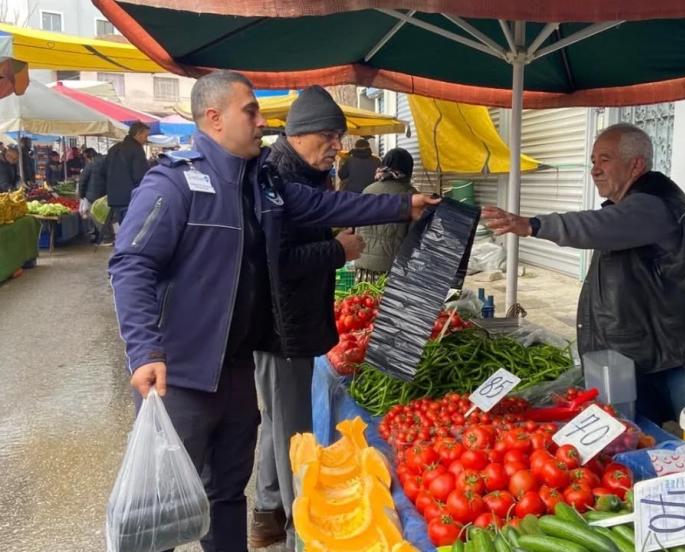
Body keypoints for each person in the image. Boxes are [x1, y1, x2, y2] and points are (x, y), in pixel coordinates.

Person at [108, 70, 438, 552]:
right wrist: (144, 350)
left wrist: (404, 206)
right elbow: (131, 264)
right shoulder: (173, 184)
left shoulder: (261, 184)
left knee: (227, 496)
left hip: (237, 370)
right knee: (163, 511)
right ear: (215, 118)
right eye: (251, 111)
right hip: (180, 374)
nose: (262, 122)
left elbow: (328, 207)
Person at [482, 123, 685, 425]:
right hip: (653, 354)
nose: (595, 170)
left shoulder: (655, 203)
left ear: (636, 165)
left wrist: (533, 225)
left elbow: (596, 225)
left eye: (605, 159)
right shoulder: (630, 206)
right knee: (645, 437)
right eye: (593, 161)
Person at [249, 85, 369, 549]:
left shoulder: (305, 174)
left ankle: (266, 514)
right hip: (282, 327)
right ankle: (300, 531)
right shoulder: (279, 177)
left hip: (292, 322)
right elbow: (276, 260)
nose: (337, 146)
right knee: (294, 432)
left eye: (340, 137)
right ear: (299, 134)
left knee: (278, 422)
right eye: (330, 136)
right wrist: (337, 250)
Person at [353, 147, 418, 283]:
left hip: (362, 268)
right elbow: (415, 239)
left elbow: (356, 229)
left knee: (364, 297)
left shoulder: (367, 191)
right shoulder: (412, 196)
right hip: (392, 272)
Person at [105, 122, 150, 226]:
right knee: (131, 228)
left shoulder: (113, 148)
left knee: (121, 227)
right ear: (138, 133)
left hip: (114, 197)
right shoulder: (137, 150)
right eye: (145, 135)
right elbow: (140, 176)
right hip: (130, 198)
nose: (146, 139)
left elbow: (104, 170)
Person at [78, 148, 110, 242]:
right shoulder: (107, 162)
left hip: (93, 195)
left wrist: (81, 195)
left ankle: (97, 236)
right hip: (105, 194)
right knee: (104, 215)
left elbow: (82, 181)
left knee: (93, 217)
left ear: (89, 157)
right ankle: (106, 236)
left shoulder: (90, 164)